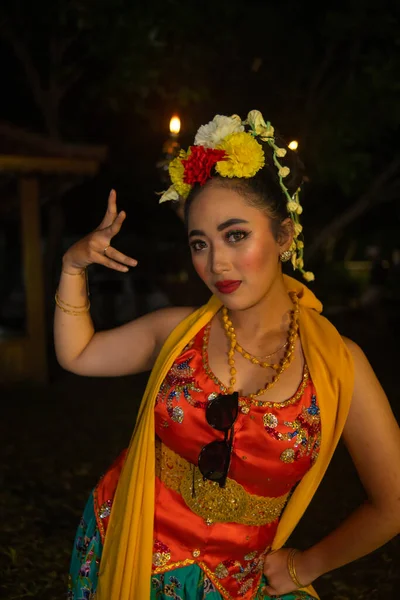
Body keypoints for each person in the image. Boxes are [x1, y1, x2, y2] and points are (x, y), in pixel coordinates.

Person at [55, 111, 400, 600]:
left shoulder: (340, 365)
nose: (216, 263)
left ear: (284, 236)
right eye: (201, 243)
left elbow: (395, 502)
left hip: (236, 586)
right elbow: (80, 353)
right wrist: (73, 266)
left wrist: (308, 565)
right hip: (125, 549)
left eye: (236, 235)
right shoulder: (178, 332)